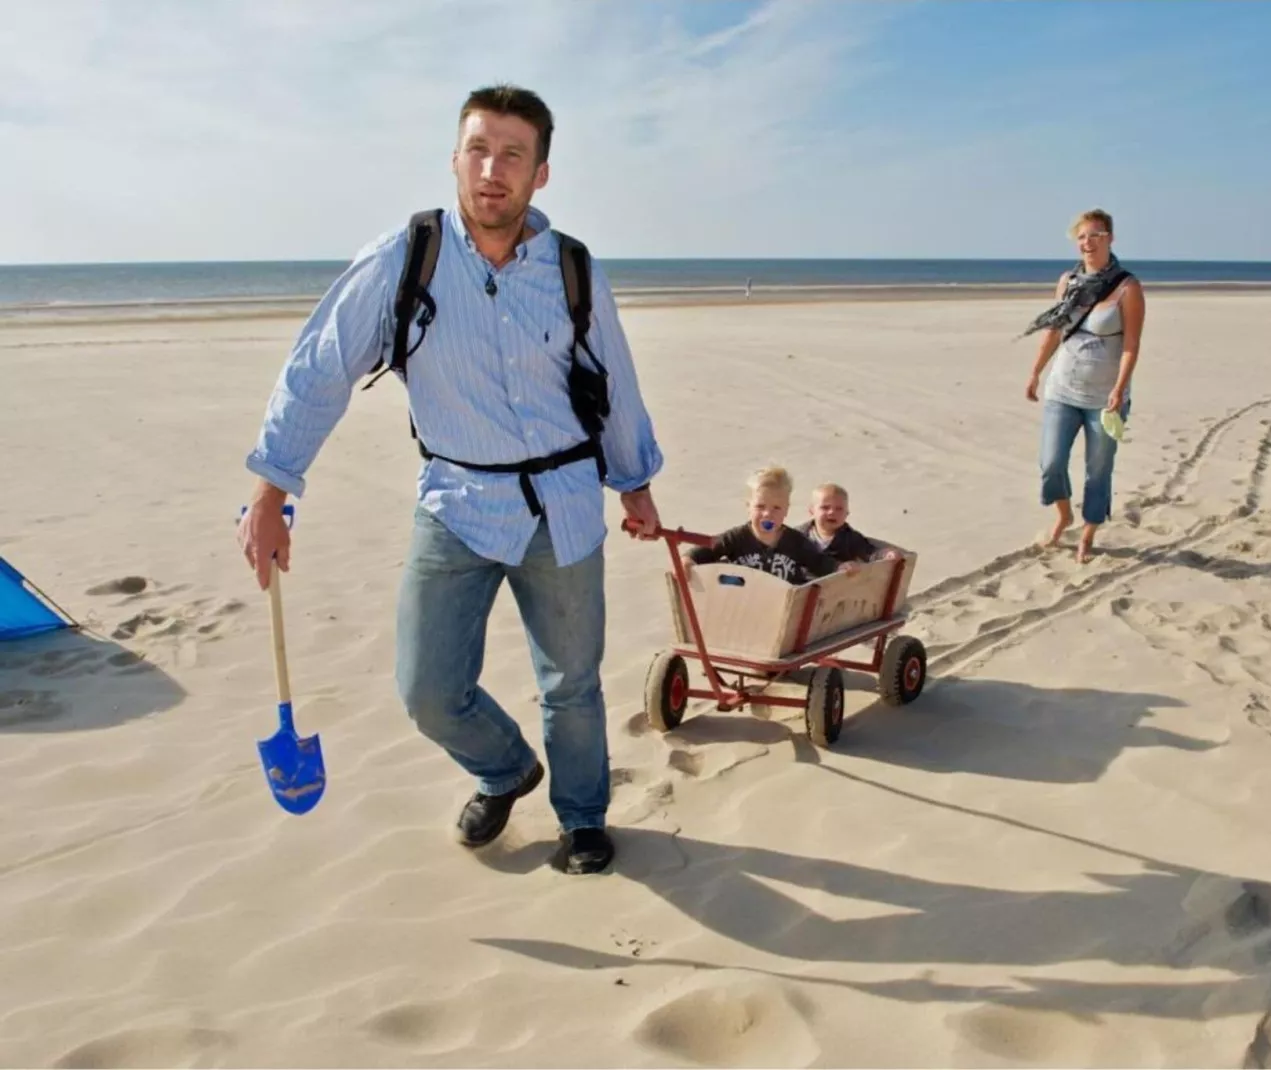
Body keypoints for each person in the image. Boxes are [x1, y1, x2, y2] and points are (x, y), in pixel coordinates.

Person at [236, 84, 665, 876]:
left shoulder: (573, 268)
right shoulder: (406, 259)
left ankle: (582, 818)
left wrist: (634, 481)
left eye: (512, 154)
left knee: (571, 683)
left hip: (563, 506)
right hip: (457, 504)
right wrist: (272, 487)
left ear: (540, 174)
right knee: (428, 688)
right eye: (478, 149)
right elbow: (320, 369)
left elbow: (615, 380)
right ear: (455, 159)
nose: (491, 169)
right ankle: (505, 769)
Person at [1022, 209, 1147, 563]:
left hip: (1105, 397)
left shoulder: (1128, 287)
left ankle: (1088, 532)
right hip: (1062, 388)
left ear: (1110, 238)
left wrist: (1119, 389)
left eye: (1095, 235)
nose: (1087, 242)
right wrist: (1035, 372)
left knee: (1098, 469)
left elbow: (1131, 344)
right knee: (1051, 463)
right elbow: (1055, 330)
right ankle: (1063, 515)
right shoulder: (1067, 281)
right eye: (1081, 237)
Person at [685, 467, 841, 584]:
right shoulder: (737, 537)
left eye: (776, 508)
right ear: (748, 507)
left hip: (784, 607)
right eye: (760, 507)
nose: (767, 514)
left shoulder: (796, 541)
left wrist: (839, 568)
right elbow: (707, 548)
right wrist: (688, 559)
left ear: (786, 509)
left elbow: (819, 562)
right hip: (746, 602)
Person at [796, 482, 900, 564]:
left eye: (839, 509)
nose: (832, 512)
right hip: (804, 585)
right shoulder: (798, 535)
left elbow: (869, 552)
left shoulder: (850, 538)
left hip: (837, 585)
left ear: (846, 514)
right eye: (825, 507)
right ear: (811, 511)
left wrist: (885, 554)